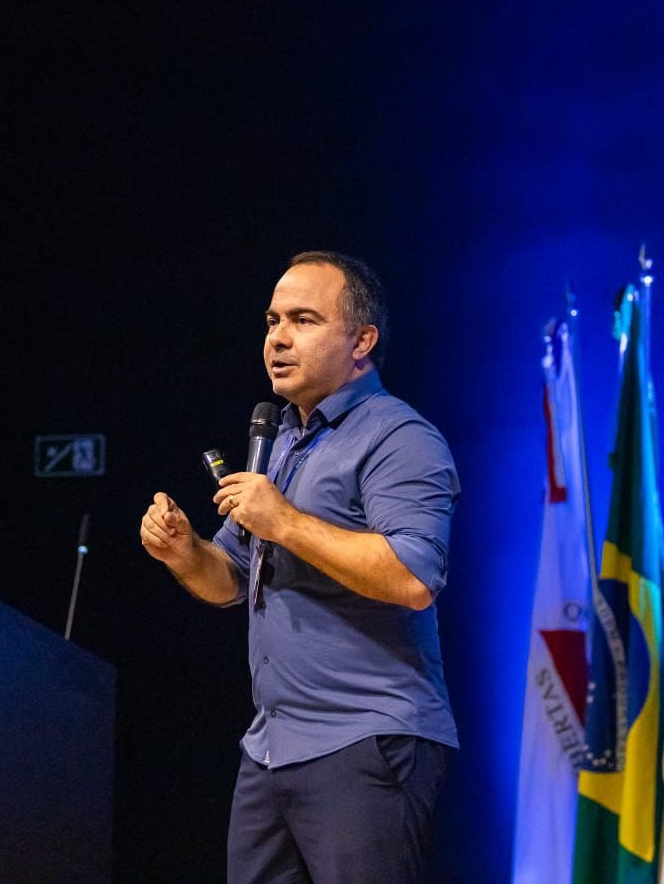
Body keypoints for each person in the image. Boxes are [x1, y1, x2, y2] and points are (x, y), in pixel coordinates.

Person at [139, 250, 460, 883]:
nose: (278, 337)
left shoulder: (400, 437)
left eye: (304, 320)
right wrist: (185, 553)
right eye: (272, 319)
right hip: (270, 749)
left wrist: (284, 520)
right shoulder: (282, 439)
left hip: (367, 741)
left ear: (361, 340)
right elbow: (229, 579)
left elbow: (413, 577)